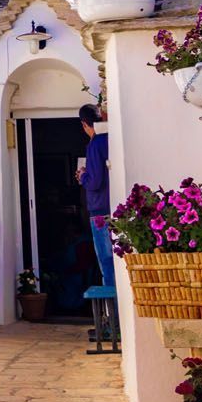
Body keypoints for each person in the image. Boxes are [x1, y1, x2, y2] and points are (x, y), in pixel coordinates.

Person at [79, 104, 114, 288]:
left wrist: (83, 176)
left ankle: (114, 313)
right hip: (113, 206)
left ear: (84, 124)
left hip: (100, 210)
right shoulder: (110, 139)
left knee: (106, 263)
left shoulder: (95, 144)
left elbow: (94, 182)